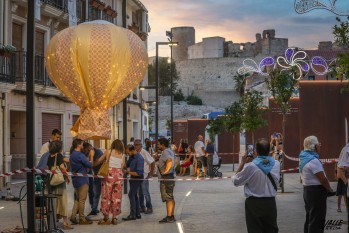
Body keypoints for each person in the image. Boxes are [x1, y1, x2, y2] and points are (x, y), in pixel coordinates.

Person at [233, 138, 280, 233]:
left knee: (254, 229)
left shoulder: (250, 166)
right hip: (270, 203)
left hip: (253, 204)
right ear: (269, 150)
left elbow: (236, 181)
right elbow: (264, 163)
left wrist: (242, 163)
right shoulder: (276, 164)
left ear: (256, 151)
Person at [299, 135, 334, 233]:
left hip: (308, 190)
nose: (320, 145)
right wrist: (329, 189)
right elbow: (323, 179)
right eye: (318, 143)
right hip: (316, 192)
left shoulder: (303, 157)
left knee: (310, 218)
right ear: (314, 146)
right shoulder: (313, 160)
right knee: (317, 219)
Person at [98, 139, 125, 225]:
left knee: (106, 195)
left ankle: (106, 218)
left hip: (109, 175)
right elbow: (122, 166)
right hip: (119, 176)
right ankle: (114, 217)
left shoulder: (108, 151)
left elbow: (99, 160)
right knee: (116, 197)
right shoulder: (123, 155)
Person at [46, 141, 73, 230]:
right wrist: (67, 176)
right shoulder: (59, 155)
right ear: (59, 148)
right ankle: (65, 223)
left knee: (54, 202)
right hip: (60, 183)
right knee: (63, 201)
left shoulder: (49, 156)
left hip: (52, 182)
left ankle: (53, 221)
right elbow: (62, 167)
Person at [69, 139, 93, 225]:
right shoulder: (80, 155)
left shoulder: (72, 154)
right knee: (82, 200)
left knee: (77, 199)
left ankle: (73, 216)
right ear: (79, 145)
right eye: (82, 144)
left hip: (75, 180)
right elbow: (89, 164)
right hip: (82, 180)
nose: (83, 145)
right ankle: (82, 219)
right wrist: (92, 156)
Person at [122, 144, 144, 221]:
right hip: (133, 178)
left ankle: (132, 215)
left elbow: (139, 173)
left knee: (131, 194)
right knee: (134, 195)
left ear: (132, 150)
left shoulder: (139, 158)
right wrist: (121, 159)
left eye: (128, 152)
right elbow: (126, 165)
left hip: (137, 178)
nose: (127, 154)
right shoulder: (131, 157)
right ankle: (137, 213)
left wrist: (128, 172)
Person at [82, 142, 104, 217]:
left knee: (103, 193)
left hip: (103, 174)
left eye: (86, 150)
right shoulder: (86, 153)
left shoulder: (98, 152)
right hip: (96, 175)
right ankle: (94, 209)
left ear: (90, 148)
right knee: (96, 193)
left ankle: (104, 210)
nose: (85, 152)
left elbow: (95, 163)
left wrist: (91, 156)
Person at [157, 138, 176, 223]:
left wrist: (166, 171)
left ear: (162, 145)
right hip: (170, 176)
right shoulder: (170, 151)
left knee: (168, 197)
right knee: (170, 197)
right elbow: (175, 161)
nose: (158, 146)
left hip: (166, 177)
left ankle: (169, 217)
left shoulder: (165, 152)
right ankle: (171, 216)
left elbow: (169, 160)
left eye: (158, 144)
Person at [134, 139, 155, 214]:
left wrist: (151, 172)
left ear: (140, 145)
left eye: (137, 145)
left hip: (145, 175)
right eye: (134, 145)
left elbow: (152, 162)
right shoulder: (135, 153)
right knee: (140, 192)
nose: (135, 146)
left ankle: (149, 207)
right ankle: (142, 207)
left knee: (145, 192)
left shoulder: (144, 152)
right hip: (138, 176)